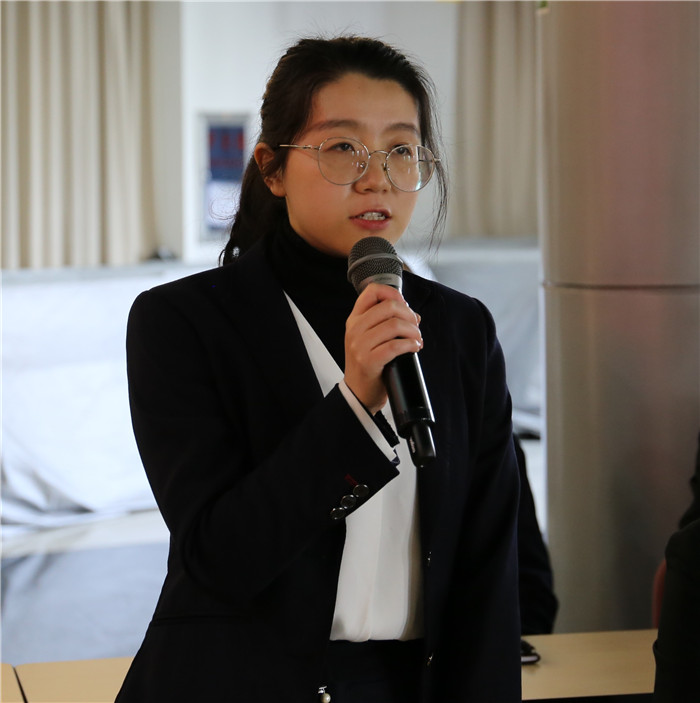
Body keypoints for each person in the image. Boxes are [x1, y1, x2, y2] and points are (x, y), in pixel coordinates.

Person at [115, 36, 521, 703]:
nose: (376, 177)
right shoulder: (183, 322)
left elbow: (488, 573)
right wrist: (355, 406)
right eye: (342, 147)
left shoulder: (460, 328)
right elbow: (219, 558)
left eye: (401, 149)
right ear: (271, 168)